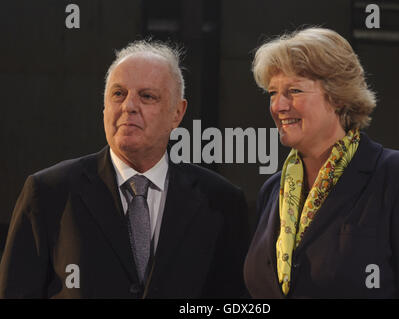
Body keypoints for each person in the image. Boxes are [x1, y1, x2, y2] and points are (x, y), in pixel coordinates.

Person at [0, 40, 249, 298]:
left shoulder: (222, 202)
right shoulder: (49, 192)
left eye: (147, 96)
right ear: (105, 106)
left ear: (177, 113)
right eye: (118, 94)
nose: (128, 106)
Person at [244, 27, 399, 298]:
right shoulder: (272, 190)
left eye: (293, 90)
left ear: (338, 97)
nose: (278, 106)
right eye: (272, 93)